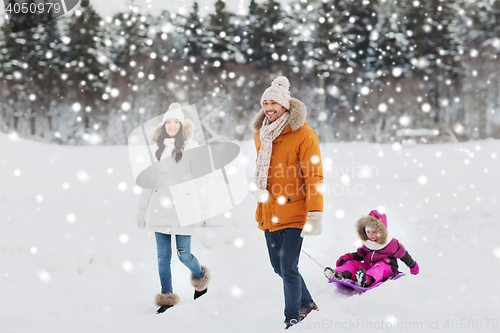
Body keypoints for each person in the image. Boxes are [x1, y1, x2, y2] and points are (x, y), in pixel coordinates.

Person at [250, 76, 324, 329]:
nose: (269, 107)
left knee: (289, 268)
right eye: (265, 102)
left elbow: (314, 175)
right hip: (269, 212)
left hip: (295, 211)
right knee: (278, 268)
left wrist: (315, 213)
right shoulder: (262, 135)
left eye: (274, 103)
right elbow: (263, 169)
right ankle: (308, 302)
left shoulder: (304, 134)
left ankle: (293, 316)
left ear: (285, 106)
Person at [135, 103, 210, 314]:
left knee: (184, 254)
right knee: (163, 258)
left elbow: (201, 182)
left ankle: (200, 276)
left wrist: (204, 210)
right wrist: (141, 211)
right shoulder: (156, 151)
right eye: (168, 122)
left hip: (185, 210)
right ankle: (166, 297)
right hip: (160, 210)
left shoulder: (192, 147)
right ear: (163, 124)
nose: (172, 125)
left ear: (181, 125)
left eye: (176, 122)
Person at [325, 210, 419, 287]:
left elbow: (404, 255)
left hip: (387, 268)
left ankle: (366, 280)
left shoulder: (391, 243)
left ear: (381, 231)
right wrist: (348, 257)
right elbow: (360, 255)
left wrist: (413, 266)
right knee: (353, 264)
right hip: (368, 266)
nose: (370, 235)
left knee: (379, 267)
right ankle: (340, 274)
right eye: (368, 231)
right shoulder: (367, 242)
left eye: (374, 232)